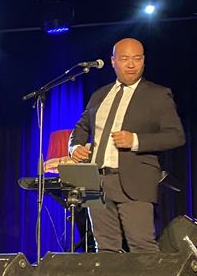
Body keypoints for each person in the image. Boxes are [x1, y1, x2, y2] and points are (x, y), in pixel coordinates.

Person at [68, 38, 185, 253]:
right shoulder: (100, 95)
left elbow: (176, 136)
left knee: (142, 246)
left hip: (135, 181)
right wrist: (74, 147)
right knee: (105, 248)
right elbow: (82, 127)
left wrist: (136, 141)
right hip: (96, 182)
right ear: (113, 61)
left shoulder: (157, 94)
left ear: (143, 61)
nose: (131, 65)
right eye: (124, 59)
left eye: (137, 59)